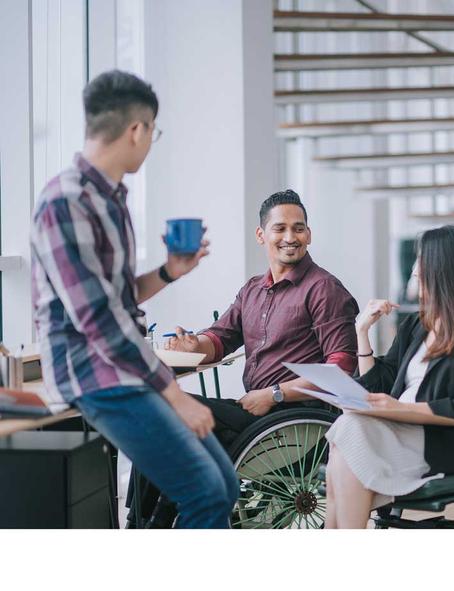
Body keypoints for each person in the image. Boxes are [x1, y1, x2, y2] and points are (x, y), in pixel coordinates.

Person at [30, 70, 238, 528]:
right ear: (137, 129)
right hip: (94, 375)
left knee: (224, 484)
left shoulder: (111, 201)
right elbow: (98, 319)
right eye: (153, 133)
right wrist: (175, 395)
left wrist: (169, 272)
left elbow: (118, 296)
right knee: (205, 491)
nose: (149, 143)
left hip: (123, 369)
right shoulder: (64, 202)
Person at [324, 226, 454, 529]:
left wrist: (398, 409)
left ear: (444, 270)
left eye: (422, 262)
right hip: (398, 427)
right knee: (347, 429)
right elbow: (381, 383)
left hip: (446, 441)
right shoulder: (417, 325)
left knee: (347, 439)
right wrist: (362, 333)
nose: (414, 270)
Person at [167, 189, 359, 449]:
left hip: (292, 418)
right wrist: (195, 346)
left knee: (168, 406)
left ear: (309, 235)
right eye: (280, 228)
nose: (290, 238)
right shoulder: (252, 289)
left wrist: (275, 394)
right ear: (261, 235)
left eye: (298, 229)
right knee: (162, 411)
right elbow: (221, 337)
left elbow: (341, 369)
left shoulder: (323, 288)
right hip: (254, 412)